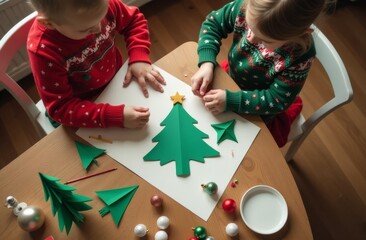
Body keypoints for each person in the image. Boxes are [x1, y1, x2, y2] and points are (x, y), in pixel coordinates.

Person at [191, 0, 331, 147]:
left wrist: (232, 101)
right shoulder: (246, 7)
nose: (250, 39)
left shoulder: (300, 56)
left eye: (265, 40)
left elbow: (277, 99)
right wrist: (206, 63)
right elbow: (213, 24)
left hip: (256, 108)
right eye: (249, 27)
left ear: (300, 34)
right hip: (230, 78)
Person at [27, 0, 166, 129]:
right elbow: (61, 108)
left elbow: (133, 21)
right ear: (49, 24)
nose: (99, 28)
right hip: (82, 106)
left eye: (102, 17)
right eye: (85, 29)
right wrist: (114, 116)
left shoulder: (99, 4)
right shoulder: (43, 52)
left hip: (115, 82)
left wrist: (139, 57)